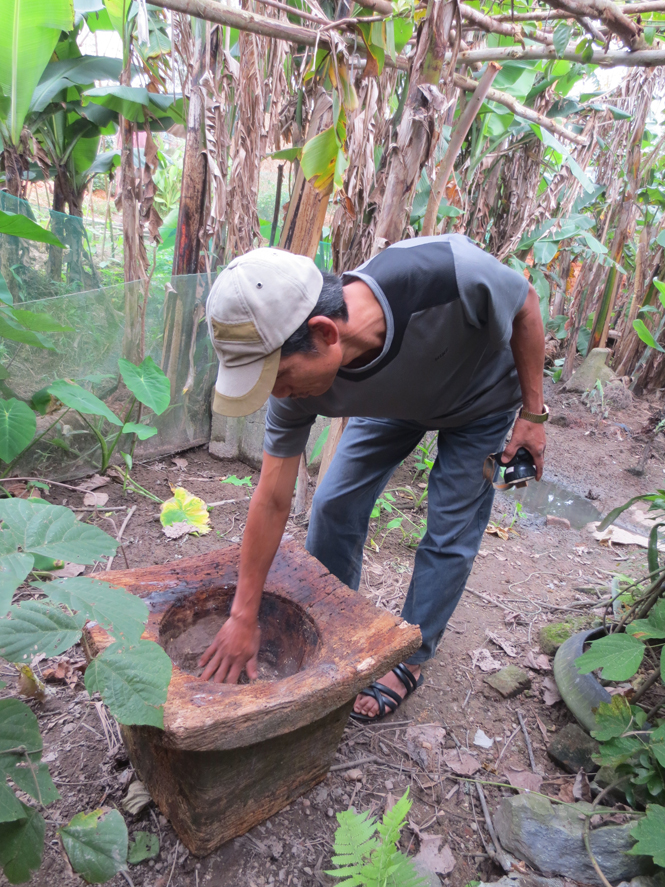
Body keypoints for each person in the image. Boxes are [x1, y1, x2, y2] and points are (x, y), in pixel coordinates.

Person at [199, 235, 547, 721]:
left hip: (480, 402)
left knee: (449, 532)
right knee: (334, 503)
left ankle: (412, 657)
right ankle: (329, 630)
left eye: (278, 377)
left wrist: (534, 414)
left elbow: (526, 305)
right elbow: (273, 498)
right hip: (390, 408)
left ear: (324, 333)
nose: (277, 394)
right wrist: (243, 614)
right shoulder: (294, 389)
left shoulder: (447, 274)